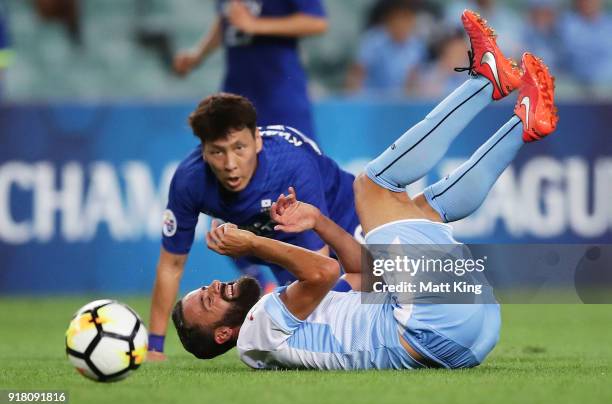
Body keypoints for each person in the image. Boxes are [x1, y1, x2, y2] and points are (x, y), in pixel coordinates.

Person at [171, 10, 559, 368]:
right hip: (426, 329)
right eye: (208, 300)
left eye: (204, 288)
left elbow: (362, 270)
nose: (213, 286)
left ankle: (522, 123)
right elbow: (323, 270)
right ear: (223, 333)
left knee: (419, 211)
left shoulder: (282, 316)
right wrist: (250, 243)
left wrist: (320, 222)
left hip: (467, 337)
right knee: (373, 185)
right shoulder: (254, 336)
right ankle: (483, 82)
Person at [147, 93, 360, 360]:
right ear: (203, 151)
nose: (230, 165)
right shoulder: (190, 181)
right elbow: (171, 264)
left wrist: (252, 244)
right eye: (217, 152)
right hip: (285, 248)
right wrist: (153, 347)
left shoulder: (292, 165)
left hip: (351, 223)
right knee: (302, 331)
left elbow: (322, 269)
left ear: (257, 140)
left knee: (358, 307)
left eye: (239, 148)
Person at [173, 0, 327, 139]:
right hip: (236, 91)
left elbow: (316, 21)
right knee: (232, 160)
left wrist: (255, 25)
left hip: (279, 90)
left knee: (295, 155)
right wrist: (198, 54)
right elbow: (227, 19)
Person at [346, 0, 426, 94]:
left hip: (401, 104)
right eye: (398, 19)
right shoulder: (372, 41)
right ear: (389, 21)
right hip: (370, 101)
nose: (401, 25)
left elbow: (414, 82)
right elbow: (356, 75)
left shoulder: (416, 46)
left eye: (406, 20)